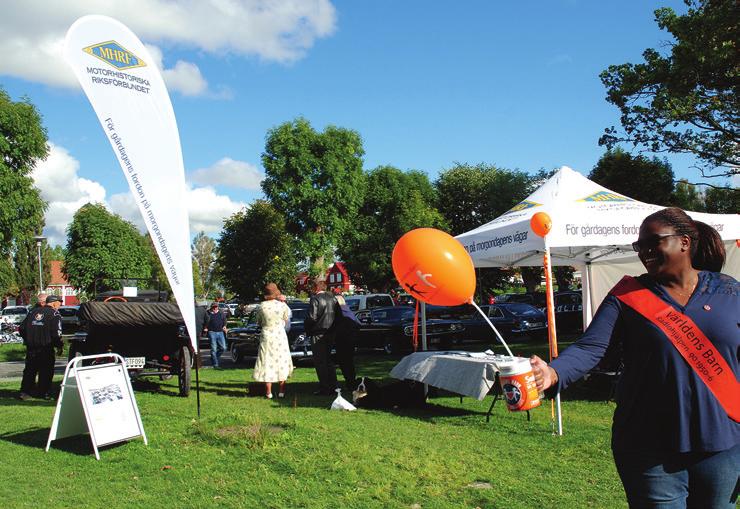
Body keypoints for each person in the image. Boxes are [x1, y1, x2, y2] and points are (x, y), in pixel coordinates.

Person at [530, 207, 738, 509]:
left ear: (684, 242)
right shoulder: (627, 295)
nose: (645, 251)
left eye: (654, 242)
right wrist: (552, 373)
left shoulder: (729, 292)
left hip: (723, 445)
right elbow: (591, 348)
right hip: (648, 447)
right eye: (640, 245)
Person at [253, 283, 293, 399]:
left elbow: (259, 322)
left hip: (267, 335)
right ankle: (281, 391)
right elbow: (286, 320)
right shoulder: (282, 306)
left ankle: (268, 392)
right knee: (282, 360)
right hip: (280, 335)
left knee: (267, 360)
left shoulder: (261, 306)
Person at [18, 294, 62, 400]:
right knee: (46, 371)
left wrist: (28, 339)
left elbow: (21, 328)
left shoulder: (33, 312)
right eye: (59, 303)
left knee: (29, 370)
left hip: (31, 347)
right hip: (46, 347)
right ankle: (43, 392)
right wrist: (59, 345)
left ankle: (25, 392)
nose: (60, 306)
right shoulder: (55, 314)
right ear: (54, 303)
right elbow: (56, 333)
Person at [304, 279, 338, 395]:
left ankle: (325, 388)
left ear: (316, 288)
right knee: (329, 360)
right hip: (331, 332)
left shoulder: (315, 299)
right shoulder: (333, 298)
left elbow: (311, 318)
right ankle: (333, 386)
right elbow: (338, 315)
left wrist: (308, 330)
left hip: (318, 332)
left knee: (320, 361)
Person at [334, 294, 360, 388]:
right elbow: (357, 324)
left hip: (342, 340)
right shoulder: (349, 311)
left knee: (344, 362)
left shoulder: (338, 313)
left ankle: (350, 382)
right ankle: (351, 381)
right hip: (350, 340)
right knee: (349, 362)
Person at [202, 301, 227, 368]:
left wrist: (224, 325)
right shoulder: (207, 313)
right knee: (214, 349)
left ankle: (213, 358)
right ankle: (215, 364)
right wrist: (205, 327)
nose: (215, 308)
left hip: (220, 332)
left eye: (216, 307)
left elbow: (224, 320)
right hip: (211, 332)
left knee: (223, 348)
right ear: (211, 307)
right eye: (213, 307)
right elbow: (204, 321)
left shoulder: (221, 312)